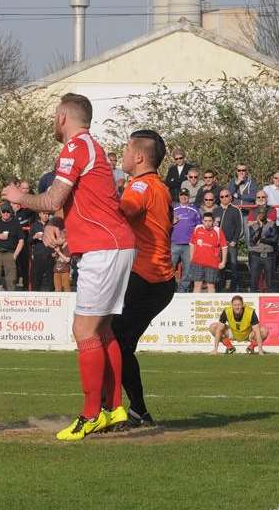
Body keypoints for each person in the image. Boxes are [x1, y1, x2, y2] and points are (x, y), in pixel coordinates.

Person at [2, 92, 135, 441]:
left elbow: (52, 198)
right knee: (102, 331)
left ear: (63, 117)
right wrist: (56, 225)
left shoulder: (75, 148)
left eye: (54, 115)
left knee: (84, 332)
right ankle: (113, 408)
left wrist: (19, 198)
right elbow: (74, 203)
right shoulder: (91, 147)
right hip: (114, 245)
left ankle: (90, 415)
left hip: (104, 249)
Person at [111, 129, 175, 427]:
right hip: (157, 281)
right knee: (118, 342)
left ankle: (109, 410)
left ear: (137, 156)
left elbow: (123, 211)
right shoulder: (158, 187)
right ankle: (134, 410)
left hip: (146, 278)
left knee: (107, 338)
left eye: (125, 150)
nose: (121, 155)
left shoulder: (140, 187)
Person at [0, 203, 23, 291]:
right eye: (4, 211)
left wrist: (15, 255)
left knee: (11, 282)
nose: (6, 213)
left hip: (10, 253)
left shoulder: (15, 223)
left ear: (11, 212)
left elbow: (21, 241)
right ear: (0, 212)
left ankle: (11, 301)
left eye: (8, 211)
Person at [189, 212, 227, 293]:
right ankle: (195, 304)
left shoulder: (218, 231)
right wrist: (192, 257)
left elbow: (224, 247)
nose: (207, 223)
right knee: (197, 285)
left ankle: (211, 305)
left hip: (212, 263)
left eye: (210, 221)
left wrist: (223, 262)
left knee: (211, 286)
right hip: (197, 262)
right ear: (202, 221)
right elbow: (192, 244)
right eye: (205, 221)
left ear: (213, 221)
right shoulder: (197, 228)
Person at [171, 188, 200, 293]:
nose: (184, 197)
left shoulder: (195, 210)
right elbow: (164, 223)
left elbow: (199, 227)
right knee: (170, 268)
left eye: (186, 195)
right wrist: (171, 222)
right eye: (182, 195)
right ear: (179, 196)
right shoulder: (173, 209)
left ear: (189, 197)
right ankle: (170, 288)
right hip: (174, 243)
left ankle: (182, 290)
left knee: (188, 269)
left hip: (189, 244)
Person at [216, 189, 243, 292]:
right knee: (219, 267)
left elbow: (239, 227)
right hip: (218, 245)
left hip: (230, 243)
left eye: (226, 196)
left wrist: (234, 241)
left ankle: (234, 288)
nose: (224, 198)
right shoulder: (216, 210)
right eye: (222, 197)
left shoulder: (236, 210)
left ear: (231, 197)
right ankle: (220, 288)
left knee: (233, 266)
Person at [247, 204, 277, 292]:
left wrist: (262, 240)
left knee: (270, 283)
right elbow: (253, 241)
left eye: (263, 213)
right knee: (253, 282)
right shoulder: (252, 226)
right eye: (259, 213)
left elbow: (274, 239)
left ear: (266, 214)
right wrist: (260, 227)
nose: (260, 214)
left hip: (268, 255)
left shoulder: (271, 224)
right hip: (256, 255)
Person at [30, 211, 55, 291]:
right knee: (36, 281)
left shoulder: (52, 225)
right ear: (39, 214)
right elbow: (28, 241)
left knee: (50, 281)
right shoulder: (34, 225)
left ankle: (52, 300)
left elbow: (58, 238)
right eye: (44, 214)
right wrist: (34, 237)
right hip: (38, 255)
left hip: (50, 255)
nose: (46, 216)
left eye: (47, 214)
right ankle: (35, 300)